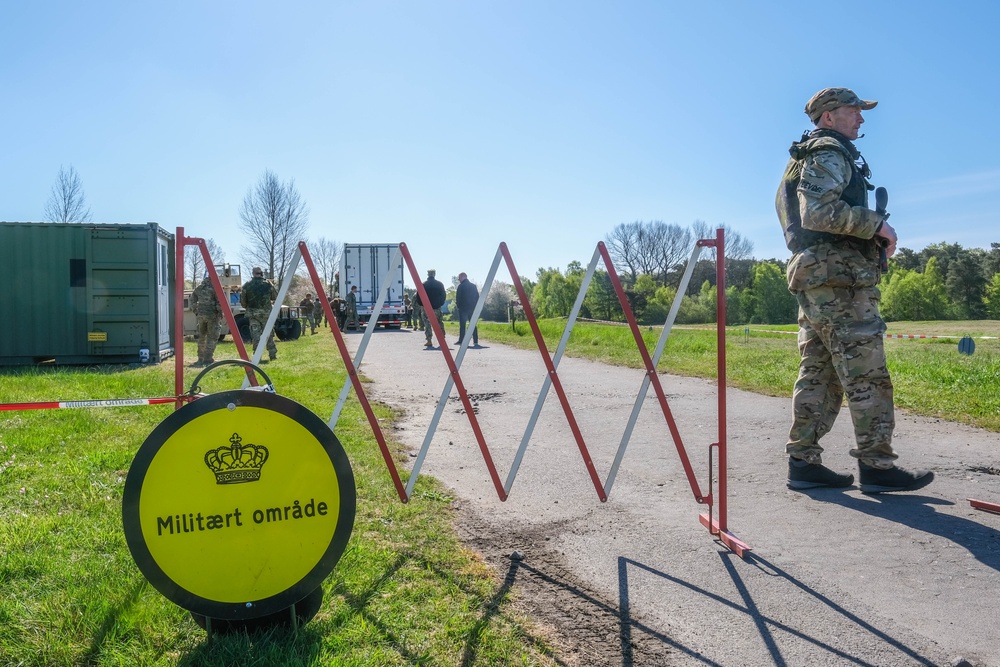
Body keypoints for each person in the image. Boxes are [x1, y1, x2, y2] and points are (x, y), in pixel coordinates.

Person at [776, 87, 933, 494]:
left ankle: (803, 463)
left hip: (818, 274)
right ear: (829, 117)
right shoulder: (828, 151)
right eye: (854, 111)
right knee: (867, 373)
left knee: (820, 373)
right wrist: (876, 225)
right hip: (838, 278)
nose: (861, 119)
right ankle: (877, 466)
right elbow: (819, 212)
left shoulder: (810, 154)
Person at [240, 266, 278, 362]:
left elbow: (243, 302)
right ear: (261, 273)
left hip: (253, 315)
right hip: (266, 314)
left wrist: (249, 307)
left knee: (256, 335)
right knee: (269, 334)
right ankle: (272, 355)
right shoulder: (268, 284)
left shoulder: (247, 285)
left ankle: (258, 357)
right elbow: (275, 296)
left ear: (253, 273)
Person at [189, 273, 223, 366]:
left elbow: (192, 300)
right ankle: (208, 358)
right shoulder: (215, 288)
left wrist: (196, 310)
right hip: (212, 315)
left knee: (202, 337)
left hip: (201, 316)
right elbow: (220, 302)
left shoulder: (199, 287)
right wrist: (220, 314)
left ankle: (200, 358)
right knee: (212, 337)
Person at [422, 269, 446, 347]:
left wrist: (422, 304)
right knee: (439, 322)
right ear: (434, 274)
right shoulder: (439, 284)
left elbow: (419, 296)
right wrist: (440, 303)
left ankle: (429, 340)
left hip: (426, 307)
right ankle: (442, 340)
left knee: (427, 324)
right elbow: (443, 295)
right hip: (437, 307)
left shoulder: (424, 284)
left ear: (428, 274)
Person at [455, 272, 479, 347]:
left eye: (459, 277)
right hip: (472, 308)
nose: (459, 279)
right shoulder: (473, 286)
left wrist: (458, 306)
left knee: (462, 325)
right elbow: (477, 297)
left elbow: (458, 298)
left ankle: (462, 340)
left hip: (463, 308)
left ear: (463, 277)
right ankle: (475, 341)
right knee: (473, 324)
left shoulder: (461, 286)